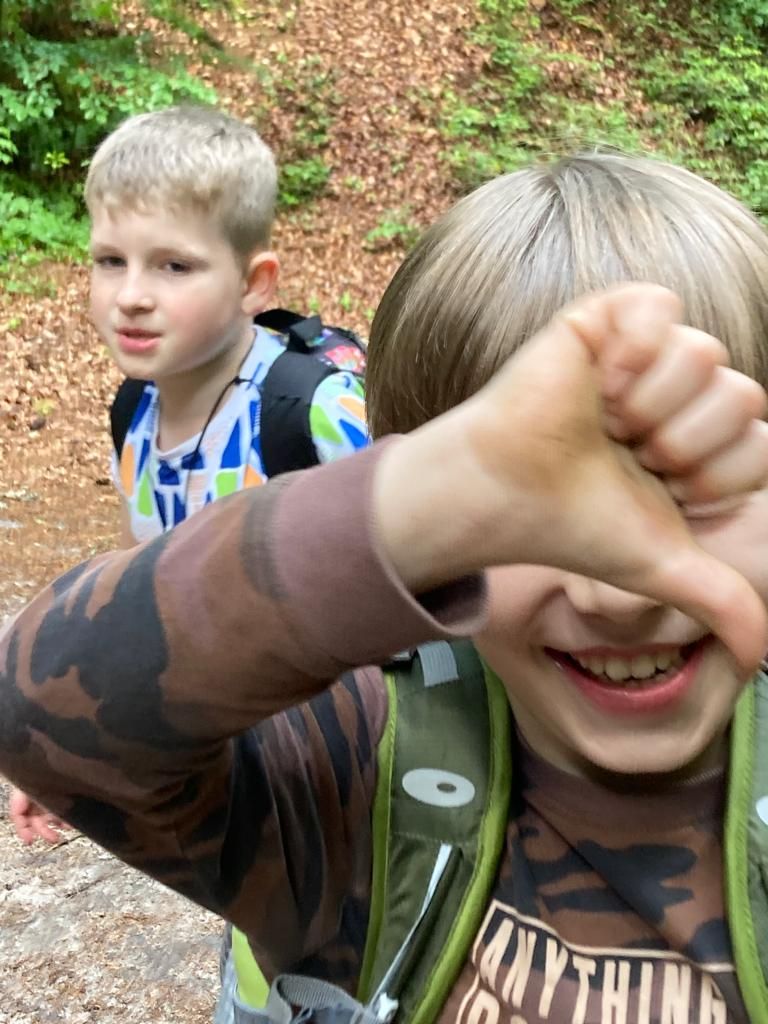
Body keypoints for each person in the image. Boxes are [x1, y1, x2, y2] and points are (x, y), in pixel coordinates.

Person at [2, 154, 768, 1024]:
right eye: (522, 523)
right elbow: (36, 706)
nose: (617, 599)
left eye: (685, 494)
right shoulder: (352, 768)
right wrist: (406, 511)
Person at [8, 104, 368, 845]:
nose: (132, 294)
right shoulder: (135, 412)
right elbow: (141, 597)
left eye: (174, 265)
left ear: (253, 282)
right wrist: (75, 766)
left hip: (357, 780)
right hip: (237, 784)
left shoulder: (315, 415)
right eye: (111, 260)